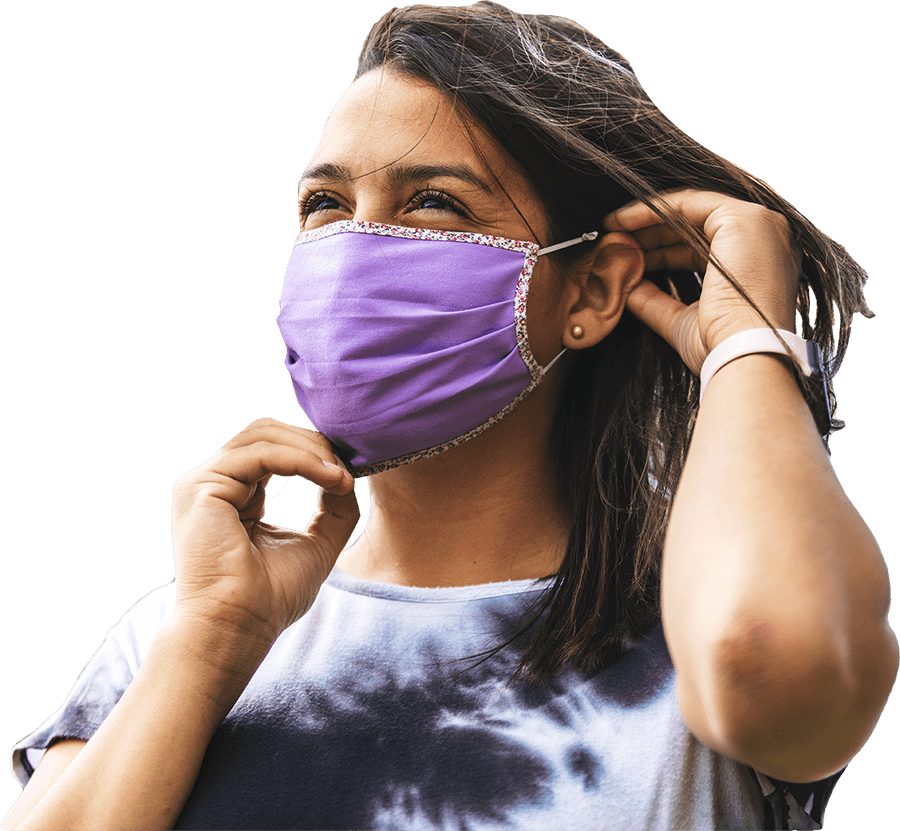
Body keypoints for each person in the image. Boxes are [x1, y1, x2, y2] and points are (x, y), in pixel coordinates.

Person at [4, 2, 896, 829]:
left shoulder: (692, 635)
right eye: (325, 205)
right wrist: (211, 640)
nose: (356, 250)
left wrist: (746, 344)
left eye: (433, 202)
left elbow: (773, 648)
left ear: (588, 287)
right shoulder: (179, 631)